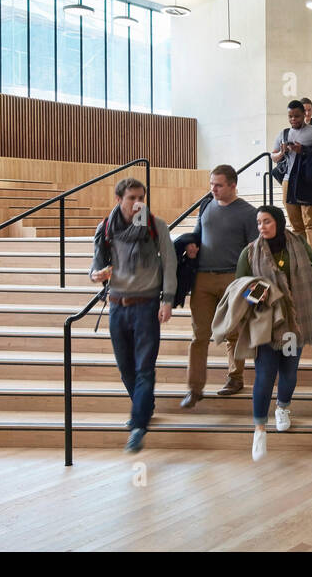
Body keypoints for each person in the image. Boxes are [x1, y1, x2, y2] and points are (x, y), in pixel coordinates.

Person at [236, 206, 312, 461]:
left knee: (289, 373)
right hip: (268, 323)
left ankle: (283, 408)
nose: (262, 227)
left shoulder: (296, 244)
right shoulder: (250, 252)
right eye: (259, 222)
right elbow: (240, 284)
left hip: (295, 322)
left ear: (279, 222)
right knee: (264, 376)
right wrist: (256, 299)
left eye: (267, 222)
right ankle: (259, 429)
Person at [89, 177, 176, 452]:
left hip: (147, 304)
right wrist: (96, 275)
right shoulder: (106, 228)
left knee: (144, 367)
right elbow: (95, 267)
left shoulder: (155, 225)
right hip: (116, 305)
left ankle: (138, 425)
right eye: (132, 198)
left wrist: (168, 300)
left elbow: (170, 264)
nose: (138, 203)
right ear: (119, 200)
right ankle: (145, 405)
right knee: (126, 367)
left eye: (141, 197)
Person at [180, 164, 257, 406]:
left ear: (233, 185)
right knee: (199, 335)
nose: (213, 189)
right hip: (202, 278)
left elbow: (255, 251)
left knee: (234, 332)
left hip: (232, 278)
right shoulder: (206, 205)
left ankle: (235, 378)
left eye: (219, 185)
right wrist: (191, 246)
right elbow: (197, 233)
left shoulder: (247, 213)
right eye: (211, 184)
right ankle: (194, 389)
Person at [272, 100, 312, 251]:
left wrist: (304, 150)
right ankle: (302, 258)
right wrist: (282, 152)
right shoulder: (284, 134)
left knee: (311, 223)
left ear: (304, 114)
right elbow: (273, 156)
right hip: (288, 181)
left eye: (297, 116)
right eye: (290, 116)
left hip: (309, 181)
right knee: (296, 225)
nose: (293, 119)